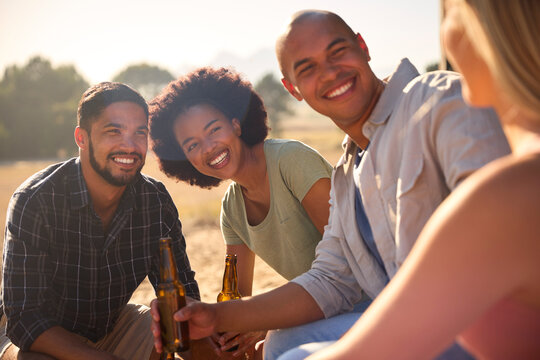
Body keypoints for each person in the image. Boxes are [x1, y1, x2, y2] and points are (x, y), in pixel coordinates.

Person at [150, 9, 511, 360]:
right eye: (307, 69)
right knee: (281, 345)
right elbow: (330, 280)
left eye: (337, 52)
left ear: (363, 47)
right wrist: (215, 317)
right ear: (293, 90)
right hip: (404, 322)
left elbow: (502, 224)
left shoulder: (436, 100)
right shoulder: (347, 176)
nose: (329, 72)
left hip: (477, 324)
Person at [301, 0, 540, 358]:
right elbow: (331, 277)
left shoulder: (506, 195)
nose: (444, 34)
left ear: (485, 30)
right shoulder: (345, 170)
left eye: (450, 15)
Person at [0, 82, 200, 360]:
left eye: (139, 133)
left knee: (175, 333)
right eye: (113, 131)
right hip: (39, 336)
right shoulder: (36, 200)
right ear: (81, 138)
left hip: (111, 327)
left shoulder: (155, 200)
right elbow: (23, 319)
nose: (129, 146)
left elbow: (184, 292)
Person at [149, 67, 333, 358]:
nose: (209, 148)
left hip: (368, 301)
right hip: (320, 309)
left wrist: (266, 323)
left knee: (273, 348)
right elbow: (236, 295)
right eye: (193, 144)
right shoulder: (232, 208)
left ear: (236, 124)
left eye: (214, 130)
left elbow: (348, 266)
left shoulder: (291, 161)